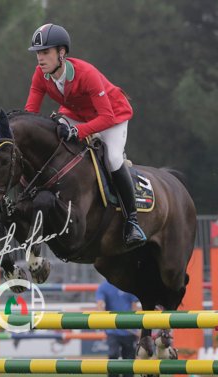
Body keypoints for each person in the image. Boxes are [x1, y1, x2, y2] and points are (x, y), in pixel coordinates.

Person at [25, 23, 146, 249]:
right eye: (38, 53)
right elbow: (30, 114)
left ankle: (132, 222)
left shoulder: (86, 73)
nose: (40, 58)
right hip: (78, 115)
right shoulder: (41, 75)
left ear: (61, 53)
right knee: (54, 134)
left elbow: (106, 117)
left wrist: (78, 131)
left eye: (45, 52)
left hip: (112, 116)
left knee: (113, 159)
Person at [95, 279, 141, 377]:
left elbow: (135, 306)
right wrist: (102, 318)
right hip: (112, 330)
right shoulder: (104, 287)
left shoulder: (128, 285)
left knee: (129, 360)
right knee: (112, 354)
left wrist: (140, 326)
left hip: (129, 330)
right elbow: (100, 304)